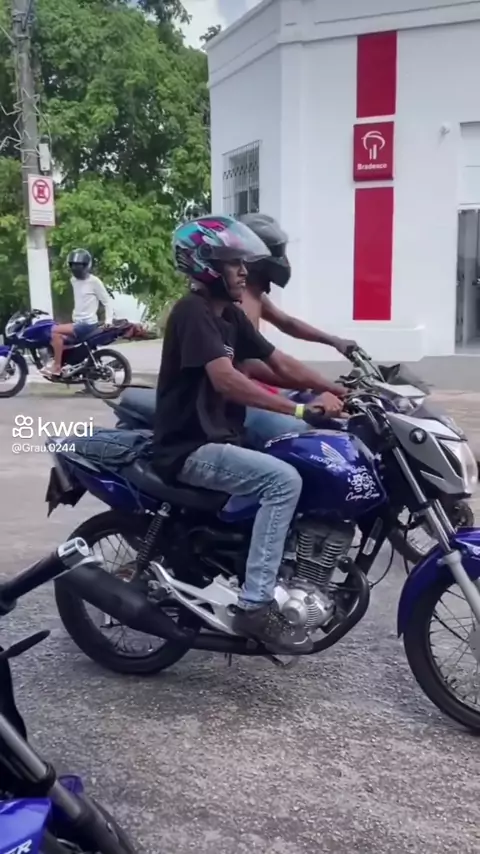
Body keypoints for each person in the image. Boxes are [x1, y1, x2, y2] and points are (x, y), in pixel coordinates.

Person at [153, 214, 345, 655]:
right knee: (283, 481)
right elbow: (226, 379)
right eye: (235, 263)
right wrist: (300, 408)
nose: (244, 272)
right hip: (190, 446)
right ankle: (255, 605)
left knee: (301, 458)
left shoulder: (229, 317)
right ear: (207, 266)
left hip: (222, 439)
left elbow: (276, 362)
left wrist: (336, 388)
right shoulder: (193, 312)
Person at [235, 213, 354, 447]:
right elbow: (253, 365)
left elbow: (287, 323)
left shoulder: (254, 293)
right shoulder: (237, 301)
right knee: (308, 438)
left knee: (337, 420)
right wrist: (320, 385)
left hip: (258, 389)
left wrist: (334, 341)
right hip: (241, 402)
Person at [42, 248, 114, 378]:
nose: (76, 269)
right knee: (58, 337)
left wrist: (108, 320)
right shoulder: (73, 280)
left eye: (79, 266)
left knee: (54, 331)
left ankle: (56, 367)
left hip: (87, 324)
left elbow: (107, 302)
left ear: (87, 266)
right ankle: (66, 363)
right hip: (78, 322)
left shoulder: (94, 282)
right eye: (73, 266)